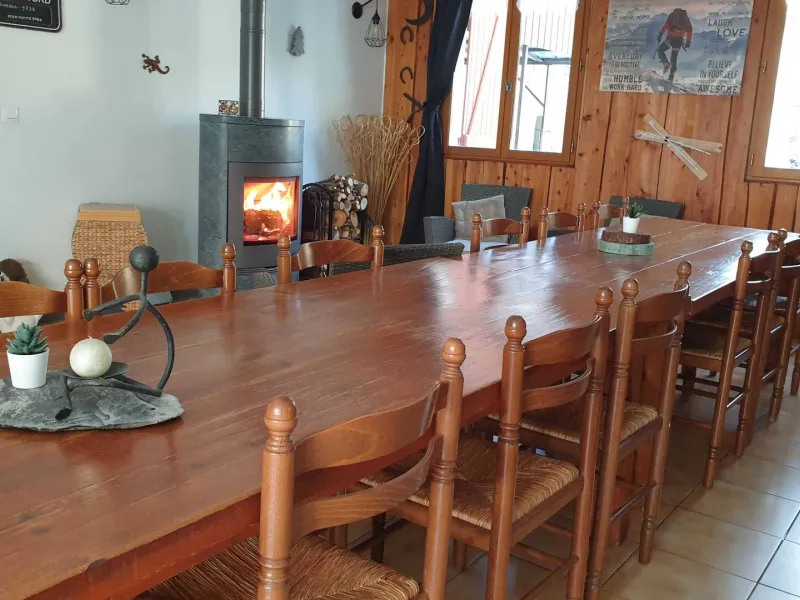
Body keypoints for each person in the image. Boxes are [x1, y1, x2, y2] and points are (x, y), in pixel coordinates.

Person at [657, 8, 693, 81]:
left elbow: (666, 26)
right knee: (673, 58)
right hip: (679, 40)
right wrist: (688, 41)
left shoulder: (672, 16)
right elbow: (690, 29)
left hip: (670, 38)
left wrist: (660, 34)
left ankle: (666, 64)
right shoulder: (685, 18)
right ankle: (671, 77)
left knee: (660, 50)